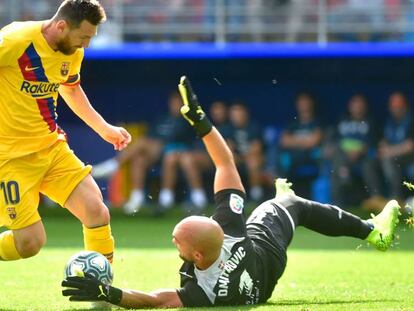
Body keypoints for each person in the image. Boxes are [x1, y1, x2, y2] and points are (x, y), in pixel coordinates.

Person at [62, 76, 400, 308]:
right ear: (216, 233)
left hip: (260, 285)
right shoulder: (230, 227)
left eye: (177, 238)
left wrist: (109, 293)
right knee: (289, 204)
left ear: (196, 255)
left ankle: (349, 223)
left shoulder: (204, 293)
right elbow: (226, 164)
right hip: (262, 252)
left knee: (286, 201)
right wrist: (203, 122)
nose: (172, 240)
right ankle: (370, 232)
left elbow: (154, 300)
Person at [0, 0, 131, 263]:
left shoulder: (73, 51)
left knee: (97, 211)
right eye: (83, 37)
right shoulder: (15, 40)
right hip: (10, 159)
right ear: (61, 26)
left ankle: (99, 292)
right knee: (29, 243)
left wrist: (103, 128)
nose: (87, 45)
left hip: (52, 149)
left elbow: (70, 89)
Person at [93, 92, 207, 214]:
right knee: (139, 159)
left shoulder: (187, 120)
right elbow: (151, 137)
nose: (175, 105)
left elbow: (189, 141)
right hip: (158, 153)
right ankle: (137, 198)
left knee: (145, 144)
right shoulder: (163, 119)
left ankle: (113, 166)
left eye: (178, 103)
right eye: (173, 103)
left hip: (178, 153)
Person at [330, 94, 382, 208]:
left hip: (364, 157)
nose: (357, 107)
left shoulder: (370, 121)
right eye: (355, 104)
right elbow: (335, 140)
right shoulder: (343, 120)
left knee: (369, 164)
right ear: (350, 106)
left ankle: (376, 197)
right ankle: (337, 202)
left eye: (360, 105)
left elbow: (374, 142)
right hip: (344, 155)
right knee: (336, 158)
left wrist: (359, 151)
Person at [279, 92, 323, 198]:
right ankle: (281, 195)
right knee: (281, 158)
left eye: (306, 102)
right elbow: (283, 141)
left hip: (311, 156)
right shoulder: (293, 123)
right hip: (294, 157)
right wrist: (304, 142)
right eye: (301, 103)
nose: (304, 105)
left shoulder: (317, 122)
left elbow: (314, 141)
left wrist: (295, 141)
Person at [379, 92, 414, 201]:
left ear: (405, 106)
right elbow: (383, 141)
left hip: (410, 157)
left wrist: (390, 151)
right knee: (378, 161)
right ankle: (381, 197)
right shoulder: (390, 122)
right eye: (394, 107)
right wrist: (383, 147)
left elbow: (410, 146)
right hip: (397, 158)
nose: (397, 109)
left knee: (390, 159)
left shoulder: (411, 120)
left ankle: (398, 197)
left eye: (400, 106)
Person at [227, 102, 264, 201]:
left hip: (254, 158)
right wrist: (238, 157)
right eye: (234, 115)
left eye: (239, 113)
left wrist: (244, 157)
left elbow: (257, 149)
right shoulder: (228, 128)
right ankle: (231, 196)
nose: (237, 117)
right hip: (238, 158)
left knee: (253, 161)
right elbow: (228, 150)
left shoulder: (254, 126)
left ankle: (256, 195)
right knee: (229, 162)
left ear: (245, 114)